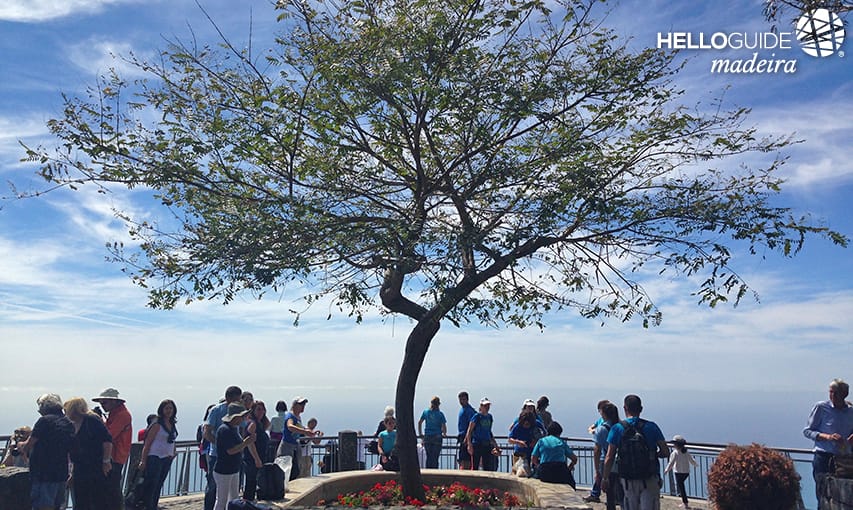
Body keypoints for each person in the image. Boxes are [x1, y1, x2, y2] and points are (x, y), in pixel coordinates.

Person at [602, 394, 669, 510]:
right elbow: (665, 451)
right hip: (650, 477)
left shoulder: (617, 428)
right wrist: (653, 455)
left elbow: (609, 456)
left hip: (628, 479)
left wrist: (605, 478)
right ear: (641, 409)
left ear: (625, 408)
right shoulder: (652, 427)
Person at [18, 393, 74, 510]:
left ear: (44, 407)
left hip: (43, 473)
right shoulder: (67, 422)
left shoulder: (44, 421)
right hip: (61, 472)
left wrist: (20, 445)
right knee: (56, 505)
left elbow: (28, 445)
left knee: (42, 505)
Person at [804, 378, 853, 503]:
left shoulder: (851, 411)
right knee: (823, 496)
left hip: (845, 460)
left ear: (844, 394)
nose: (832, 396)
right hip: (823, 458)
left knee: (844, 497)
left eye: (836, 393)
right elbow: (807, 431)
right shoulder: (821, 407)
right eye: (831, 392)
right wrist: (827, 437)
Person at [64, 397, 114, 510]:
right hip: (80, 466)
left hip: (96, 465)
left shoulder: (91, 420)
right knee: (81, 499)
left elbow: (107, 440)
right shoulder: (71, 424)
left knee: (98, 498)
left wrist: (106, 461)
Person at [203, 385, 242, 510]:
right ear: (227, 398)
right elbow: (207, 431)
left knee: (232, 492)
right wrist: (220, 444)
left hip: (233, 459)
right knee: (214, 488)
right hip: (216, 454)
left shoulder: (238, 412)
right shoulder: (216, 410)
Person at [93, 387, 132, 510]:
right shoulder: (116, 414)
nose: (102, 405)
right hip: (114, 456)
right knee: (109, 490)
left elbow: (109, 435)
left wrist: (98, 420)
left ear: (114, 401)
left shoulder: (122, 415)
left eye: (104, 402)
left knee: (112, 491)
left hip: (115, 457)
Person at [213, 404, 255, 510]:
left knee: (234, 499)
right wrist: (246, 443)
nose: (243, 419)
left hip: (233, 469)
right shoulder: (224, 430)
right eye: (241, 416)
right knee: (222, 500)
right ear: (235, 417)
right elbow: (230, 450)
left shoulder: (234, 429)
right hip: (224, 470)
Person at [138, 399, 178, 510]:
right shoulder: (157, 424)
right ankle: (147, 505)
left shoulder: (171, 424)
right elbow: (148, 443)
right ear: (162, 410)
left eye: (171, 408)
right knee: (152, 484)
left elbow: (173, 440)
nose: (169, 411)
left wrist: (173, 452)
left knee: (159, 484)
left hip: (167, 458)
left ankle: (153, 505)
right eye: (166, 408)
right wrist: (143, 460)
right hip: (155, 457)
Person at [277, 396, 316, 480]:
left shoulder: (298, 417)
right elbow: (290, 426)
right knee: (286, 470)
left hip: (295, 446)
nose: (303, 406)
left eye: (304, 404)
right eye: (301, 404)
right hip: (287, 446)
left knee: (295, 470)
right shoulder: (290, 416)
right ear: (294, 405)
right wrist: (305, 432)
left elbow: (299, 427)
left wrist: (308, 431)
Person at [531, 421, 578, 487]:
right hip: (560, 472)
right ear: (559, 433)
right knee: (572, 484)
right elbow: (574, 459)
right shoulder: (561, 442)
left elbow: (533, 458)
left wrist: (539, 466)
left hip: (545, 472)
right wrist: (570, 467)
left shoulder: (541, 441)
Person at [242, 400, 268, 499]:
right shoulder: (253, 424)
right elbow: (250, 442)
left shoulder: (259, 423)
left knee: (253, 483)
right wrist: (256, 458)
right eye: (258, 409)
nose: (261, 412)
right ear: (253, 411)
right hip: (252, 458)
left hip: (258, 457)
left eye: (263, 409)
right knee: (251, 484)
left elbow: (268, 424)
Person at [465, 397, 499, 471]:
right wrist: (469, 444)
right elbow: (470, 431)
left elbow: (489, 431)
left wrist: (495, 445)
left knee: (487, 466)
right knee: (475, 466)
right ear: (481, 406)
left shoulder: (489, 417)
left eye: (488, 405)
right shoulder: (477, 417)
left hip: (486, 444)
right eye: (485, 405)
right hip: (477, 444)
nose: (487, 407)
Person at [664, 435, 698, 509]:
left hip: (678, 472)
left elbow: (671, 463)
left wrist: (666, 470)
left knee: (681, 488)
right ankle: (684, 502)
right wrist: (695, 464)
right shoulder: (686, 452)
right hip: (686, 472)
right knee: (681, 487)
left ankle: (685, 503)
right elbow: (691, 460)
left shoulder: (675, 453)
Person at [418, 396, 447, 469]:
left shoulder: (426, 412)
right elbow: (444, 426)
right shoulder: (440, 414)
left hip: (427, 436)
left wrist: (420, 433)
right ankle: (435, 473)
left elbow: (420, 422)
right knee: (435, 457)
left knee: (429, 456)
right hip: (437, 437)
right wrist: (444, 434)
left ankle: (428, 472)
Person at [508, 411, 537, 476]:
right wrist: (518, 442)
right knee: (518, 474)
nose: (526, 426)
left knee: (530, 475)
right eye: (525, 424)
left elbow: (544, 436)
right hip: (518, 454)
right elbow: (510, 440)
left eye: (528, 424)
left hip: (532, 454)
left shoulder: (537, 425)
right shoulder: (517, 426)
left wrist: (536, 442)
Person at [457, 391, 476, 469]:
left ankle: (466, 472)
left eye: (463, 399)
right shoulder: (463, 409)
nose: (461, 401)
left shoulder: (469, 410)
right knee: (462, 457)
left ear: (467, 399)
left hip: (466, 436)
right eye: (460, 400)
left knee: (466, 458)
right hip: (461, 435)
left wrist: (467, 438)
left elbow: (471, 426)